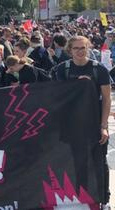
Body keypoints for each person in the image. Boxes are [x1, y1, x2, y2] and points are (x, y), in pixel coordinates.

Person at [52, 36, 111, 208]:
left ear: (88, 48)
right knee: (77, 161)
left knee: (100, 161)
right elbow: (56, 96)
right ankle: (81, 196)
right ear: (69, 49)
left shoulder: (98, 69)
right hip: (72, 125)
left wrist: (104, 126)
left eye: (83, 48)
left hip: (95, 124)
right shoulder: (63, 69)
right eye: (76, 48)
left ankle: (103, 198)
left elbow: (107, 99)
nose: (80, 51)